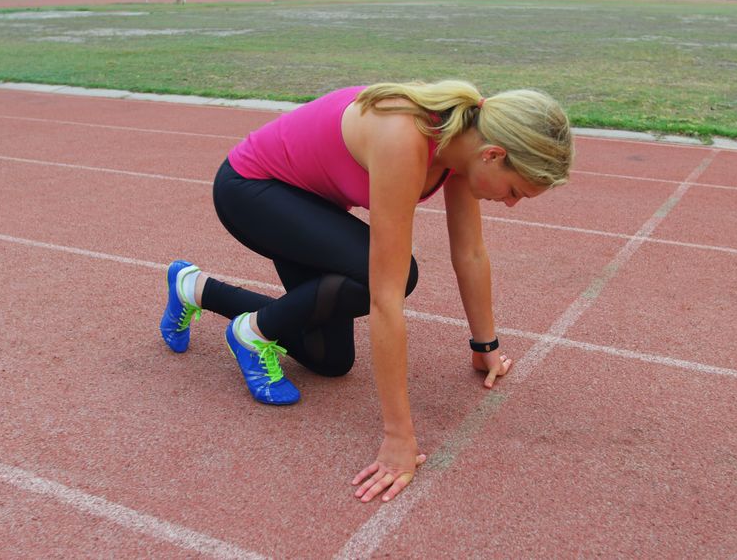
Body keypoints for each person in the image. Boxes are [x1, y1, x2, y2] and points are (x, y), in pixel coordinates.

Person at [159, 80, 573, 503]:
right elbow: (386, 298)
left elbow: (469, 253)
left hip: (310, 203)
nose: (511, 204)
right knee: (395, 277)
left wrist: (485, 345)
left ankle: (195, 289)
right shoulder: (405, 139)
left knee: (330, 360)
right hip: (252, 190)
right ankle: (251, 334)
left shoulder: (466, 146)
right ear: (494, 155)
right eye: (515, 191)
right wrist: (398, 438)